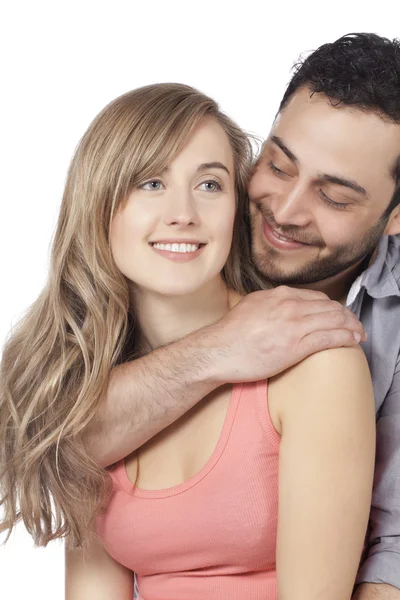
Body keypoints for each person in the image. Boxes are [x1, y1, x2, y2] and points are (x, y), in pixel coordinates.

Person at [0, 83, 374, 599]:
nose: (183, 214)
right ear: (98, 204)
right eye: (151, 183)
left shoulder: (314, 357)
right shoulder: (95, 392)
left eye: (210, 185)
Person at [76, 33, 400, 600]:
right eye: (278, 164)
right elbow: (51, 448)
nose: (285, 210)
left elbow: (393, 549)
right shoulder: (157, 295)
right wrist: (222, 347)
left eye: (336, 198)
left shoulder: (328, 361)